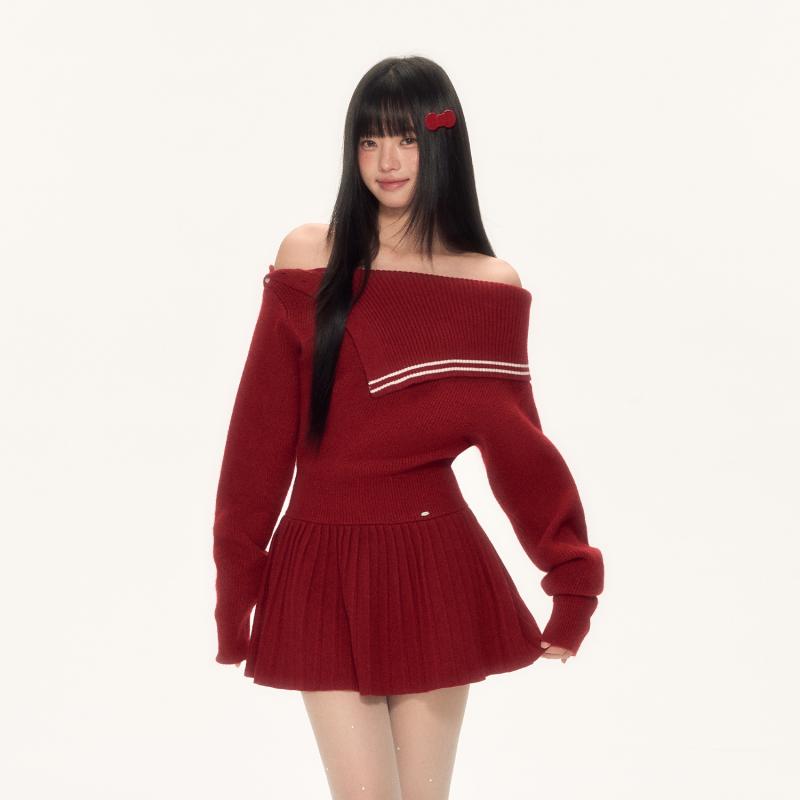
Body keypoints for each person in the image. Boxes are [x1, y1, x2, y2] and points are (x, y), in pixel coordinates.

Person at [211, 55, 604, 800]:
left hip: (433, 563)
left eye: (407, 139)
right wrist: (237, 591)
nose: (386, 161)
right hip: (319, 557)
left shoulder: (487, 284)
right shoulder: (310, 255)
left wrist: (573, 581)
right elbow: (256, 444)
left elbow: (521, 452)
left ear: (441, 144)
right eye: (369, 140)